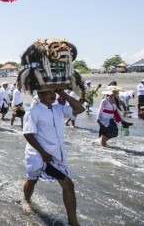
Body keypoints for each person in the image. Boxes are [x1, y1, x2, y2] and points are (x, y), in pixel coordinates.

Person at [22, 89, 85, 226]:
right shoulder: (33, 112)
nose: (52, 95)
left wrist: (63, 92)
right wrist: (43, 153)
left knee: (68, 184)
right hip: (40, 155)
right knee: (33, 180)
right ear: (40, 95)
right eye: (48, 92)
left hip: (56, 154)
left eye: (54, 92)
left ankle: (73, 222)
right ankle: (26, 200)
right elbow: (28, 134)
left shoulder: (59, 109)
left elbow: (80, 108)